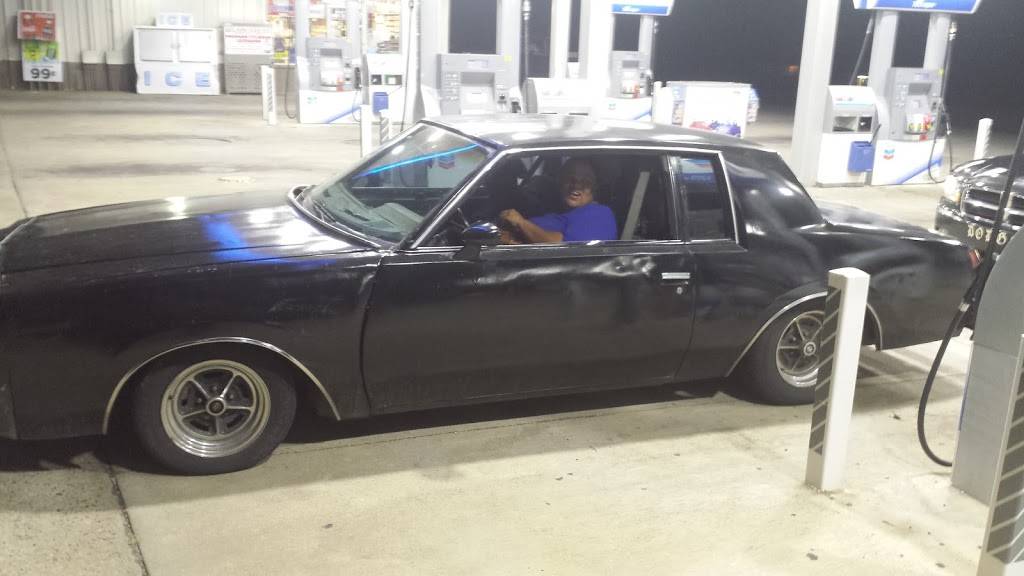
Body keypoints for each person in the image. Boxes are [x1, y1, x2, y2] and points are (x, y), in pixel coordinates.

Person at [498, 159, 617, 244]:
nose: (576, 185)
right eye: (570, 179)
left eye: (585, 181)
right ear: (560, 181)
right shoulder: (554, 209)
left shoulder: (599, 214)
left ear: (594, 187)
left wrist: (521, 223)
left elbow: (562, 248)